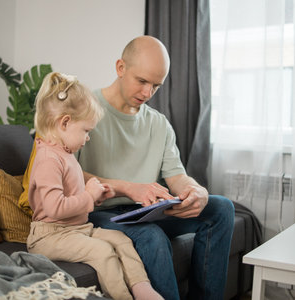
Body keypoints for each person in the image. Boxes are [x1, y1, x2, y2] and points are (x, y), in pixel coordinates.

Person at [76, 36, 235, 300]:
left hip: (145, 211)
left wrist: (196, 192)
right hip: (99, 213)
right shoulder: (85, 109)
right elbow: (68, 175)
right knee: (151, 236)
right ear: (120, 67)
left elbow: (177, 177)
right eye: (142, 81)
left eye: (156, 86)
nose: (148, 93)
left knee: (221, 209)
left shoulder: (159, 124)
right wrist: (127, 187)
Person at [26, 71, 163, 300]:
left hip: (75, 230)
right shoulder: (48, 158)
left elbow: (74, 197)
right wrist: (88, 197)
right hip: (49, 236)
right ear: (65, 122)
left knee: (121, 240)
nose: (88, 138)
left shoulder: (66, 153)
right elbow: (54, 208)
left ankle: (142, 289)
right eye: (86, 131)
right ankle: (122, 297)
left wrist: (97, 196)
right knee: (102, 251)